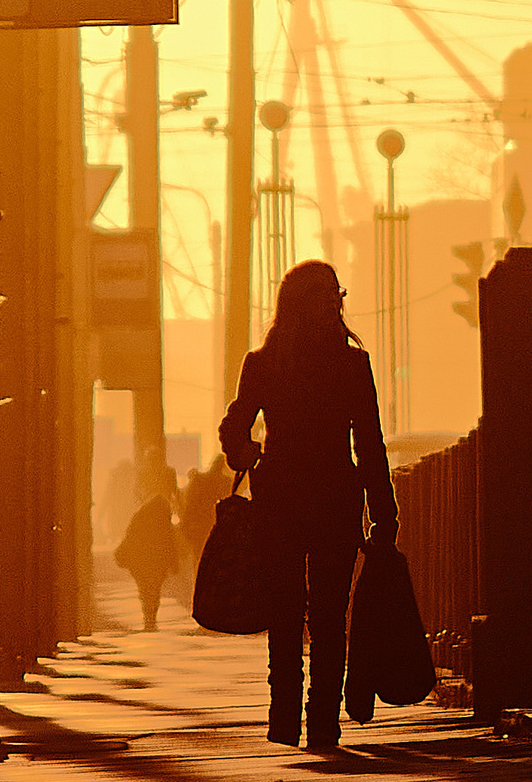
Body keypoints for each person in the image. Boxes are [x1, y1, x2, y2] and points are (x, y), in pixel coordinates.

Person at [221, 259, 395, 749]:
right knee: (324, 615)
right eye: (330, 296)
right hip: (335, 496)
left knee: (290, 612)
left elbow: (235, 427)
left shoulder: (264, 363)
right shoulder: (350, 365)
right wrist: (383, 510)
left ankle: (288, 721)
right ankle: (319, 722)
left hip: (280, 498)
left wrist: (249, 454)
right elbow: (370, 443)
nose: (334, 304)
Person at [113, 448, 182, 633]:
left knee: (145, 588)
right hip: (155, 555)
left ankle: (149, 616)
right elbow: (169, 539)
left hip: (143, 557)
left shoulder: (141, 514)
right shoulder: (160, 514)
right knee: (154, 588)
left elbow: (132, 533)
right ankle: (150, 616)